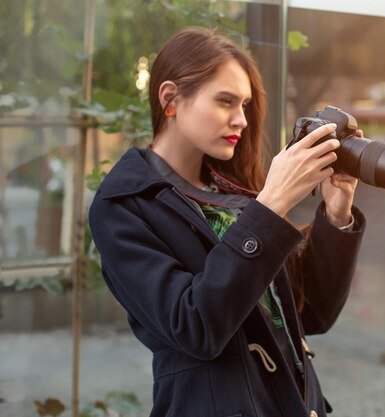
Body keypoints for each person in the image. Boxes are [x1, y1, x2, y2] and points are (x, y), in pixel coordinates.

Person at [88, 27, 365, 417]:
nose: (242, 120)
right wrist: (270, 207)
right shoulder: (123, 205)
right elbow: (194, 327)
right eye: (225, 101)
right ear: (170, 99)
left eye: (245, 105)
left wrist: (336, 213)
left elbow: (311, 315)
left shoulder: (232, 192)